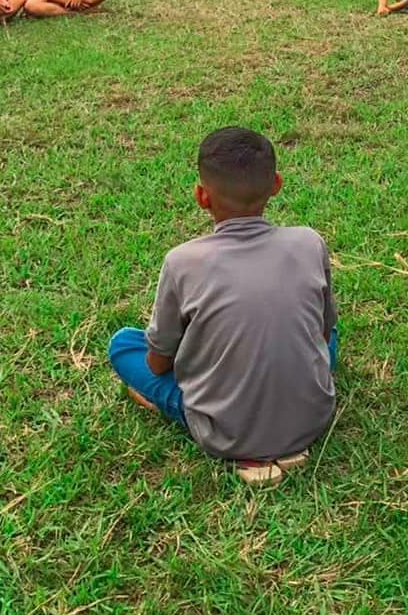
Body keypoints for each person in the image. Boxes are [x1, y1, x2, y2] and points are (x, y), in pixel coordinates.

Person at [108, 127, 338, 485]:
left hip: (224, 432)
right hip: (313, 416)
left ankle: (246, 454)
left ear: (201, 196)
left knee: (123, 345)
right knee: (328, 336)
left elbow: (157, 363)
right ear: (277, 184)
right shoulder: (309, 242)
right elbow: (323, 333)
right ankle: (288, 440)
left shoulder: (182, 261)